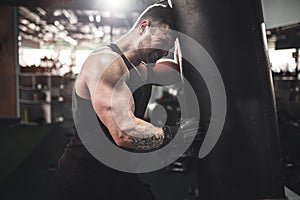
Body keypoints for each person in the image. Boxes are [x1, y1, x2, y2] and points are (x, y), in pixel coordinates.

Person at [52, 1, 185, 199]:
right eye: (163, 43)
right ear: (144, 27)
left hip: (119, 174)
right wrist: (179, 135)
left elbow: (174, 73)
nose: (165, 53)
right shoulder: (105, 63)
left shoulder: (140, 67)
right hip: (85, 180)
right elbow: (124, 133)